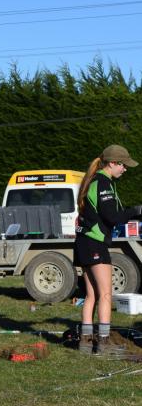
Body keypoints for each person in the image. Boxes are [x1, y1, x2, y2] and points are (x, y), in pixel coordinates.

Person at [73, 145, 142, 354]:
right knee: (105, 295)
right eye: (123, 165)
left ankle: (85, 342)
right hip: (94, 243)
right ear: (112, 163)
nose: (125, 169)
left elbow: (111, 213)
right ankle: (103, 343)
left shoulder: (96, 181)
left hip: (84, 242)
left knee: (91, 295)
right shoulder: (102, 183)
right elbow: (113, 217)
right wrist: (137, 210)